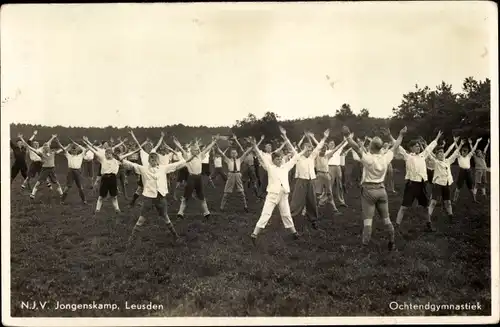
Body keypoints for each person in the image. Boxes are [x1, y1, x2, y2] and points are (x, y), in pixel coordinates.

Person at [344, 126, 406, 250]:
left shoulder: (368, 158)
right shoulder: (385, 158)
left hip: (369, 190)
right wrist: (400, 134)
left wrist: (347, 136)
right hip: (382, 190)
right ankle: (392, 242)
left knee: (368, 221)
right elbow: (396, 146)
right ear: (380, 147)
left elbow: (356, 147)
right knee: (386, 219)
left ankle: (364, 246)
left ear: (371, 147)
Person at [122, 152, 195, 246]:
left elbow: (176, 165)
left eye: (155, 160)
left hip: (160, 197)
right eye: (152, 160)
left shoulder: (163, 168)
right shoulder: (143, 169)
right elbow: (131, 165)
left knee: (165, 217)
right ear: (149, 160)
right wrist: (121, 160)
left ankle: (176, 237)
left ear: (158, 161)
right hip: (149, 198)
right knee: (141, 219)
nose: (154, 161)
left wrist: (188, 159)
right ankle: (131, 240)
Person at [250, 128, 307, 245]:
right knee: (266, 214)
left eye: (281, 158)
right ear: (273, 160)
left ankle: (294, 233)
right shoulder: (270, 167)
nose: (280, 160)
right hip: (272, 194)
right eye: (277, 159)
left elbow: (296, 158)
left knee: (286, 214)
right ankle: (254, 234)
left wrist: (304, 150)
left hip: (284, 193)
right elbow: (260, 156)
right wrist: (255, 146)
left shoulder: (285, 167)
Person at [388, 130, 443, 232]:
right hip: (411, 185)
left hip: (422, 185)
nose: (418, 147)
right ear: (411, 148)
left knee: (426, 207)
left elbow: (430, 147)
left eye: (418, 146)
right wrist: (391, 136)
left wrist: (437, 138)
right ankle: (396, 227)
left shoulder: (423, 155)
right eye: (416, 146)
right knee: (404, 207)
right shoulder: (408, 156)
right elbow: (398, 147)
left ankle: (428, 224)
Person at [82, 136, 137, 215]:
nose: (107, 155)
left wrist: (137, 149)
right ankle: (97, 211)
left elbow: (128, 154)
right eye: (106, 153)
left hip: (113, 179)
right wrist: (87, 142)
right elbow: (93, 150)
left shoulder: (116, 160)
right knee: (101, 197)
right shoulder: (102, 159)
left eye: (109, 153)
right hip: (104, 179)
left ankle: (117, 210)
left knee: (114, 197)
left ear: (112, 154)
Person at [289, 128, 330, 230]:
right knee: (296, 201)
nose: (309, 151)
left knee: (312, 201)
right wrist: (285, 137)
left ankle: (313, 220)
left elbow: (319, 147)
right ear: (303, 149)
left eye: (310, 149)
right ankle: (291, 218)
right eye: (306, 149)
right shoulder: (298, 157)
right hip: (301, 182)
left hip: (311, 181)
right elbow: (291, 147)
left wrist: (324, 137)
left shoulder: (312, 157)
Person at [175, 135, 219, 219]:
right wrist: (175, 142)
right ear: (191, 151)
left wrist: (214, 142)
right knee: (186, 197)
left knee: (201, 196)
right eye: (194, 150)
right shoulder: (187, 156)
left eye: (197, 150)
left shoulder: (200, 155)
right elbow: (180, 148)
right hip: (191, 178)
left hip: (198, 178)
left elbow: (207, 149)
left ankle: (207, 213)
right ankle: (180, 213)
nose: (196, 151)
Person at [427, 139, 465, 222]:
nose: (441, 153)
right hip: (437, 184)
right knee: (433, 202)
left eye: (442, 152)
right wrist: (425, 145)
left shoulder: (447, 161)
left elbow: (455, 153)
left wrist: (460, 144)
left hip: (446, 184)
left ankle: (451, 217)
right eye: (439, 152)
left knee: (448, 202)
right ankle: (428, 219)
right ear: (436, 155)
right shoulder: (435, 162)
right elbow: (428, 153)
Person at [19, 134, 65, 199]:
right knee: (39, 181)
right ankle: (32, 194)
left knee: (56, 182)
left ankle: (61, 194)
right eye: (45, 146)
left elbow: (61, 149)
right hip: (43, 167)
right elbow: (28, 146)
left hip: (50, 168)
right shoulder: (41, 153)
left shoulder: (52, 152)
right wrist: (21, 138)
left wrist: (53, 138)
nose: (46, 147)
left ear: (48, 147)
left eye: (47, 146)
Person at [128, 130, 164, 207]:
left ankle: (153, 203)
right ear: (145, 147)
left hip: (153, 173)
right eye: (147, 146)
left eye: (150, 146)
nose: (149, 147)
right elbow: (137, 143)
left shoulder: (153, 152)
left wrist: (162, 137)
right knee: (140, 189)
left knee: (153, 188)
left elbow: (158, 145)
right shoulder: (142, 152)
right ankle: (133, 202)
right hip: (144, 173)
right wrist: (132, 134)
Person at [216, 142, 253, 212]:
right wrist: (216, 146)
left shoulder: (239, 160)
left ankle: (245, 206)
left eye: (235, 153)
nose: (233, 154)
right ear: (230, 154)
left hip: (238, 175)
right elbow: (221, 153)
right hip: (231, 175)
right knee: (226, 193)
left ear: (237, 154)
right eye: (232, 153)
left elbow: (246, 153)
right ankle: (221, 207)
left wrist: (252, 146)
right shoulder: (228, 160)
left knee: (241, 192)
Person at [56, 138, 88, 204]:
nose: (74, 151)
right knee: (67, 187)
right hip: (71, 172)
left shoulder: (80, 155)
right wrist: (58, 142)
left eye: (75, 150)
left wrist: (86, 142)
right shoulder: (68, 155)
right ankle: (62, 200)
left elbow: (85, 149)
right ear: (71, 151)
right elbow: (63, 149)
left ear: (77, 151)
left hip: (78, 172)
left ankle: (84, 200)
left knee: (80, 187)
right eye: (73, 150)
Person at [452, 137, 482, 203]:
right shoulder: (459, 156)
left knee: (471, 188)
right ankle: (454, 201)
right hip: (462, 172)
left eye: (466, 152)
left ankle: (474, 200)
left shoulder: (468, 156)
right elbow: (457, 149)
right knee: (458, 188)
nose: (464, 153)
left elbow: (473, 149)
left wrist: (477, 142)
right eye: (463, 151)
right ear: (461, 151)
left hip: (468, 172)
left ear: (467, 152)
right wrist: (456, 142)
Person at [326, 138, 349, 207]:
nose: (332, 144)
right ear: (328, 145)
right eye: (331, 143)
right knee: (330, 184)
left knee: (339, 185)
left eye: (333, 143)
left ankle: (341, 201)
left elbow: (344, 144)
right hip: (330, 168)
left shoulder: (338, 150)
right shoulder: (327, 151)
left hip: (338, 168)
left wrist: (347, 138)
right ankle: (328, 199)